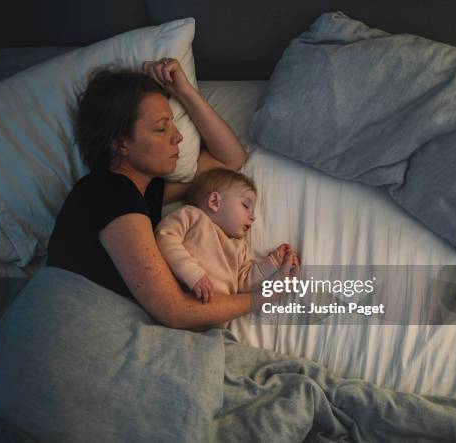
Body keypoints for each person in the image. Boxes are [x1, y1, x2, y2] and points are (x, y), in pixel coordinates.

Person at [47, 57, 296, 330]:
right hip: (68, 324)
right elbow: (176, 310)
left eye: (173, 123)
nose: (177, 136)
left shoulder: (146, 192)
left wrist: (184, 91)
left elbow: (230, 161)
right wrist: (263, 297)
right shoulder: (108, 192)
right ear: (121, 144)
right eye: (161, 128)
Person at [155, 168, 299, 328]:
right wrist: (193, 274)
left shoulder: (240, 247)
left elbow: (246, 282)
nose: (253, 217)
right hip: (179, 303)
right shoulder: (192, 216)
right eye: (245, 205)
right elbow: (165, 238)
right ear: (215, 202)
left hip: (214, 324)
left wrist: (273, 262)